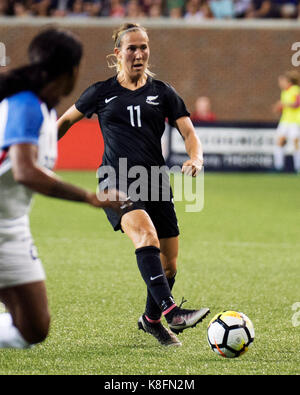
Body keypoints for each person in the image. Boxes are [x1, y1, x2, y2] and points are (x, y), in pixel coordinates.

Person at [57, 22, 210, 347]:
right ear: (118, 53)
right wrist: (35, 151)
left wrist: (195, 158)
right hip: (114, 179)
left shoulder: (163, 92)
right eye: (132, 48)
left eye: (144, 47)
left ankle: (151, 319)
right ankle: (172, 313)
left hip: (155, 181)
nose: (139, 54)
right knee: (145, 235)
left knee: (168, 265)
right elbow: (65, 122)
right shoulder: (100, 92)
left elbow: (189, 133)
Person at [0, 28, 128, 349]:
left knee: (34, 329)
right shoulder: (25, 104)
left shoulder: (45, 109)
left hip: (12, 226)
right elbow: (26, 171)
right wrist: (88, 196)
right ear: (72, 70)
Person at [272, 70, 300, 173]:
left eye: (282, 81)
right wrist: (279, 108)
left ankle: (298, 167)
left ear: (289, 82)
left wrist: (284, 104)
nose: (280, 83)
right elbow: (285, 107)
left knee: (296, 144)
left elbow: (297, 103)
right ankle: (278, 167)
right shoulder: (284, 92)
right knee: (279, 142)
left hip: (295, 122)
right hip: (285, 121)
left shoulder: (296, 90)